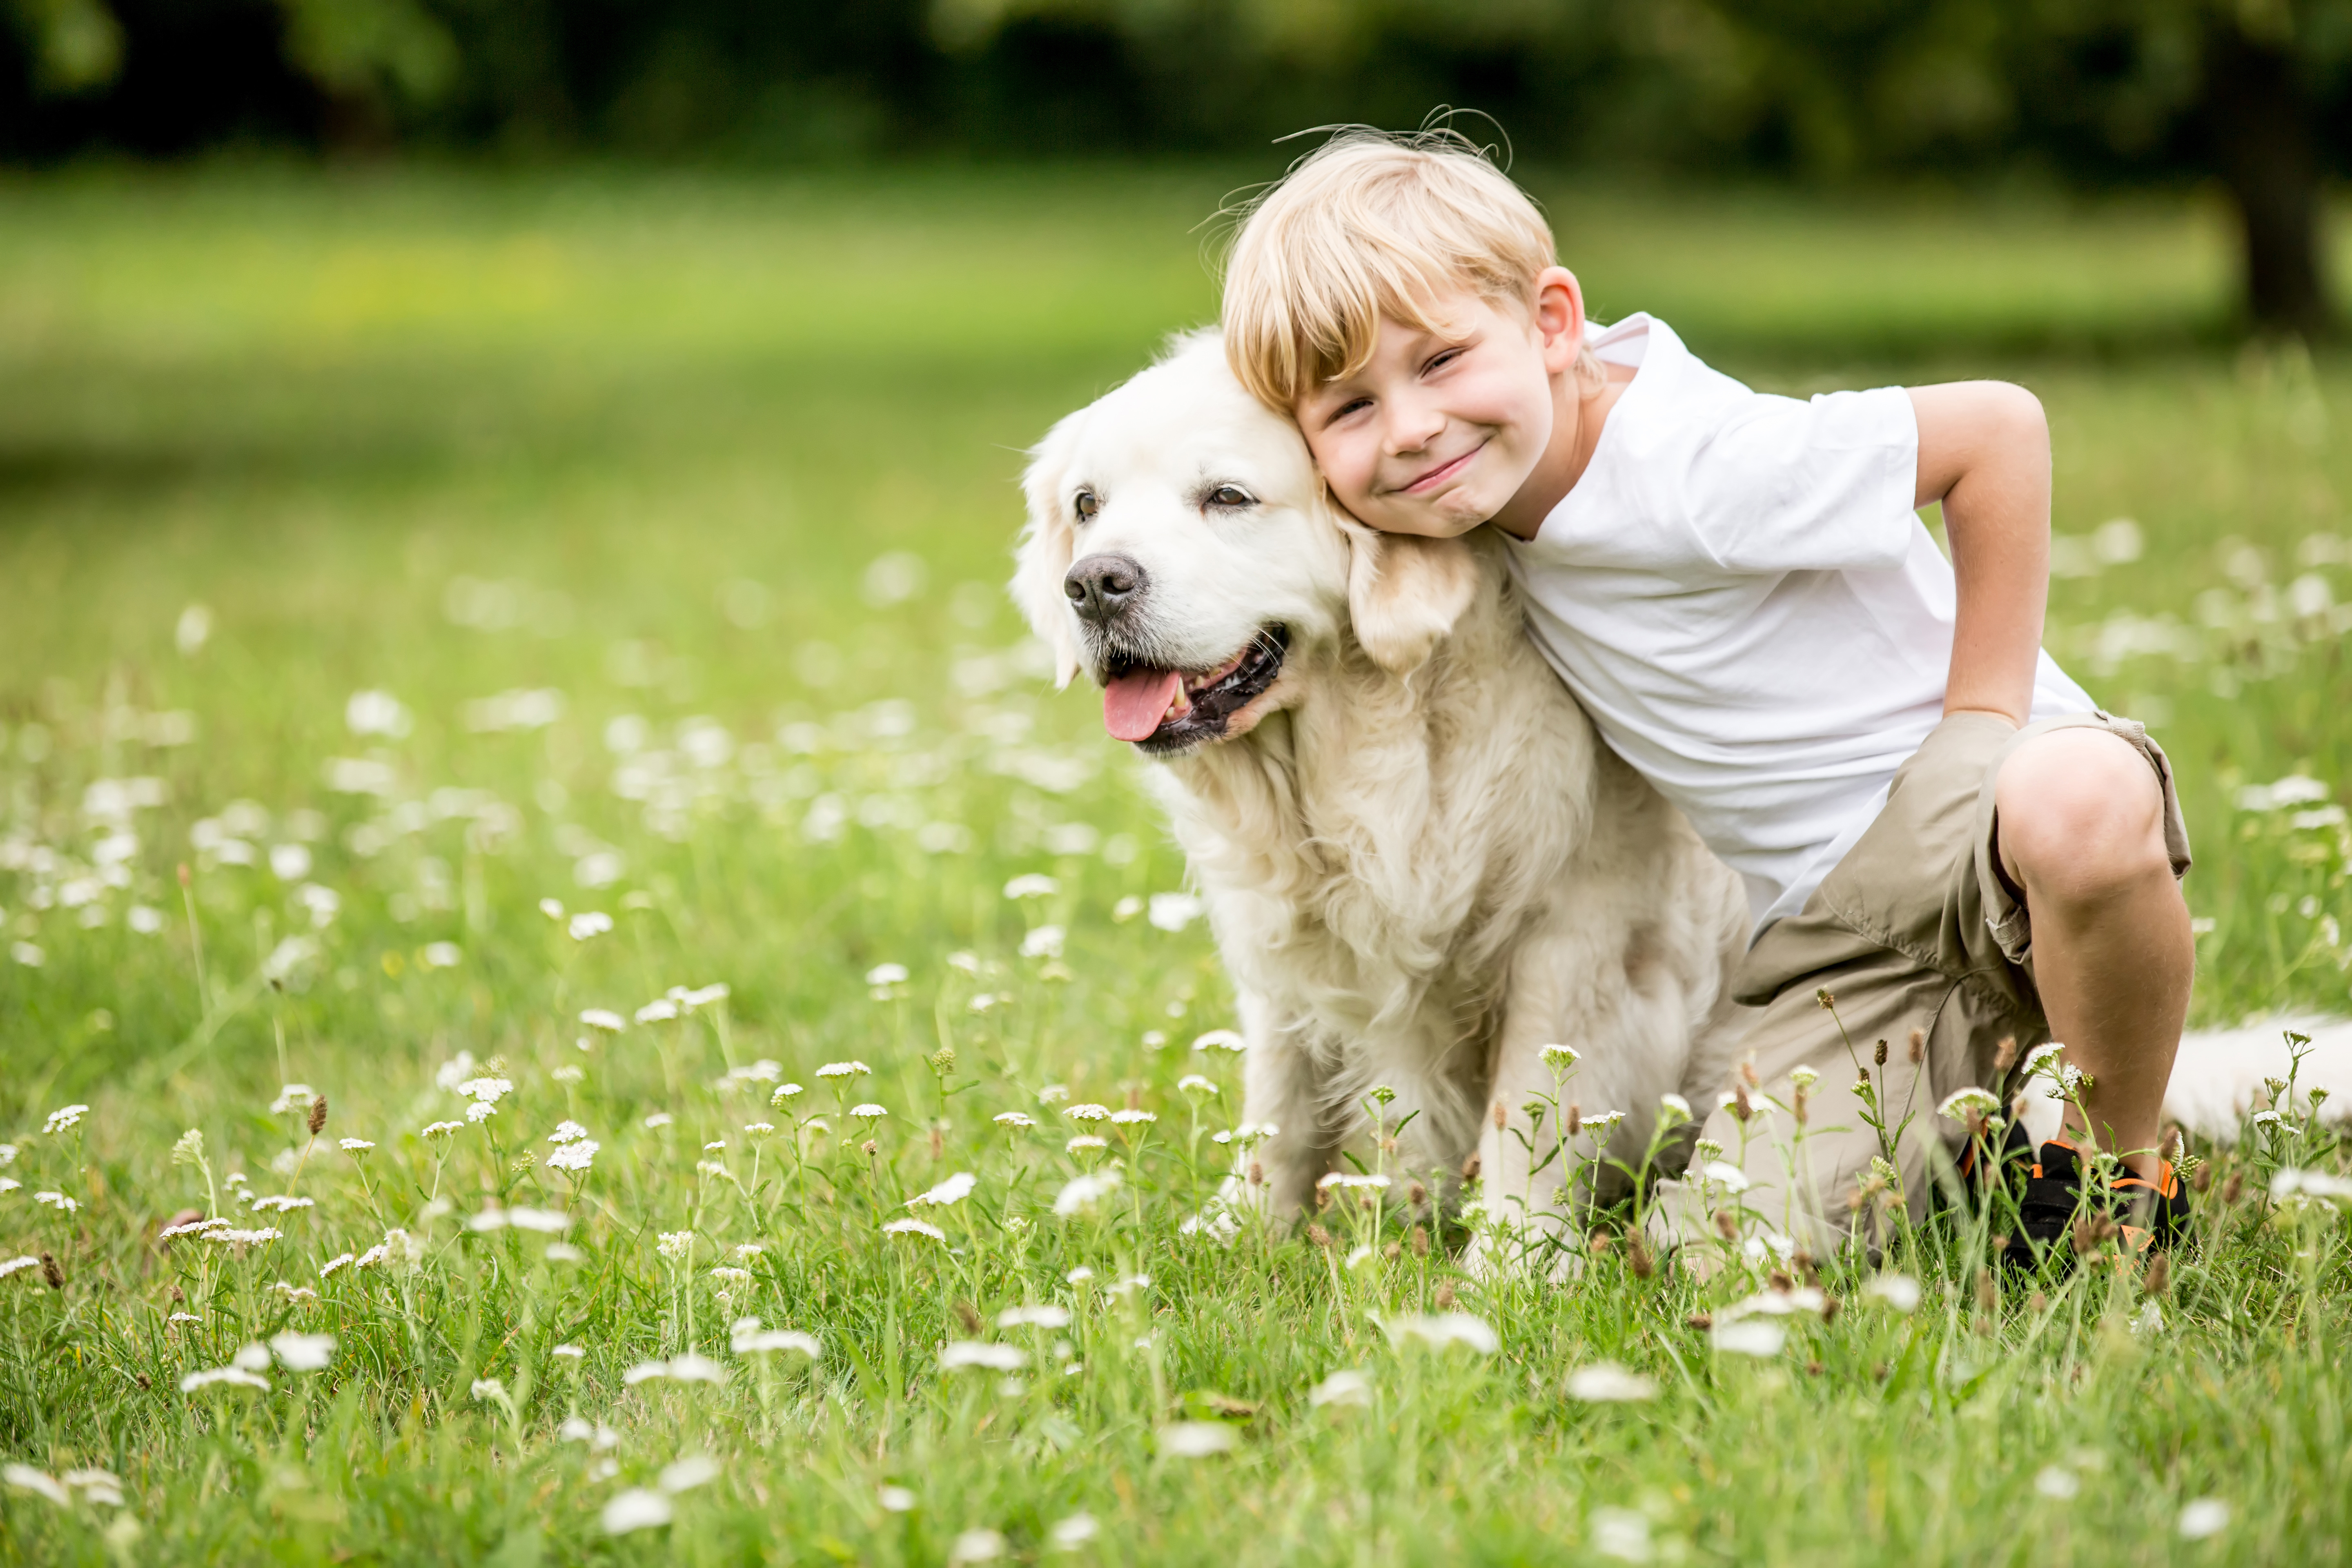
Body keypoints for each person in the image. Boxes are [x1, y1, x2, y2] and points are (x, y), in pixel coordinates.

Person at [1218, 127, 2195, 1264]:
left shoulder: (1695, 466)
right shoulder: (1480, 519)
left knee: (2075, 794)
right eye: (1349, 411)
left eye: (1438, 363)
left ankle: (2114, 1173)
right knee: (1718, 1253)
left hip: (1985, 826)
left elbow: (1999, 431)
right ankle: (1973, 1133)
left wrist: (1981, 730)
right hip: (1838, 932)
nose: (1413, 429)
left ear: (1551, 323)